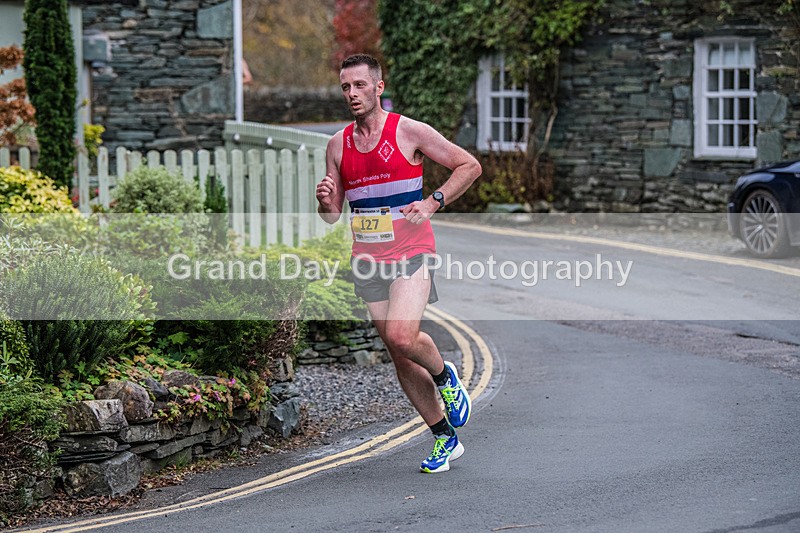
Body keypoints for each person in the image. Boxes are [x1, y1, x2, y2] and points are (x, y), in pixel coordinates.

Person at [315, 54, 482, 473]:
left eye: (359, 85)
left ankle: (446, 378)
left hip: (411, 252)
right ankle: (445, 439)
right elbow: (333, 214)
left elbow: (469, 165)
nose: (352, 94)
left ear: (378, 87)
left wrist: (433, 201)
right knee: (398, 353)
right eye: (345, 87)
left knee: (403, 335)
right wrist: (324, 200)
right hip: (368, 259)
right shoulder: (337, 145)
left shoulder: (408, 131)